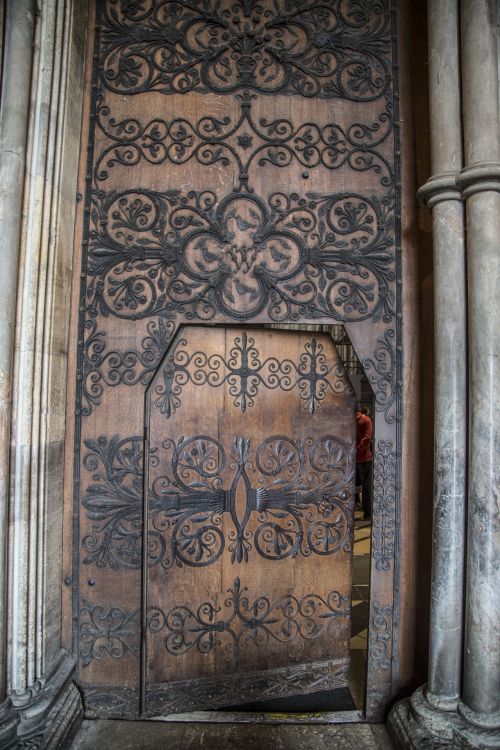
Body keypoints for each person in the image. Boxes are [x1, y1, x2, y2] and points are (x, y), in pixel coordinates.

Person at [355, 407, 373, 521]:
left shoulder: (348, 419)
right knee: (367, 487)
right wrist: (358, 449)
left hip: (352, 458)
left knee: (353, 487)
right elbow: (367, 438)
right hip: (364, 458)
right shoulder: (366, 420)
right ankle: (367, 513)